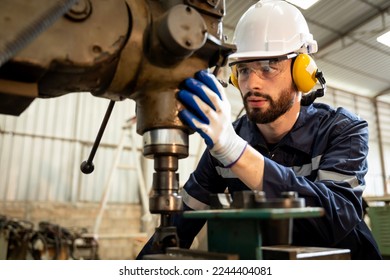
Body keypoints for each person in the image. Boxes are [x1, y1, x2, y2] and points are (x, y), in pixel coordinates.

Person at [137, 0, 382, 259]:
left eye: (268, 67)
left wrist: (236, 152)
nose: (251, 83)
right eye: (243, 69)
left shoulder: (343, 130)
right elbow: (179, 225)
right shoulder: (224, 144)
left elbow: (337, 219)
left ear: (302, 73)